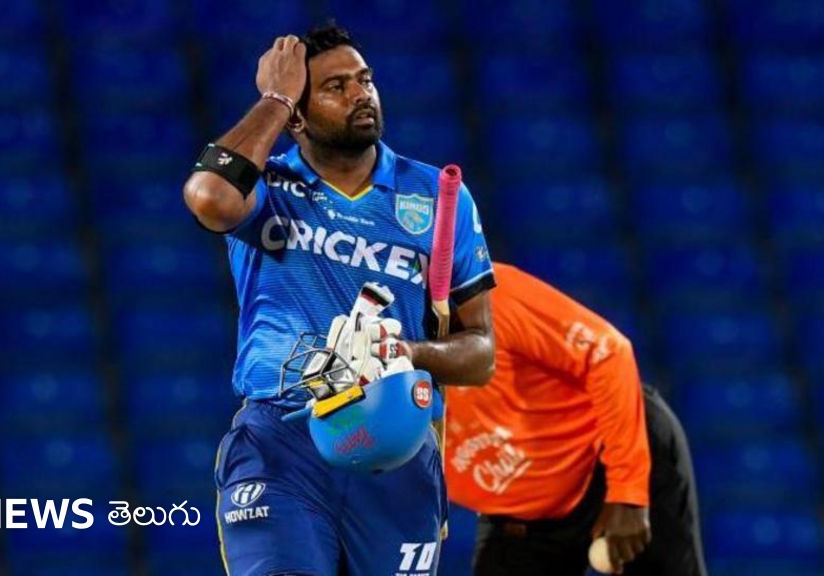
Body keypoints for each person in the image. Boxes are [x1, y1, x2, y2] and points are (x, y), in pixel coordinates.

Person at [182, 22, 498, 575]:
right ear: (296, 117)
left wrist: (409, 353)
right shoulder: (266, 187)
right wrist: (275, 98)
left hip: (396, 444)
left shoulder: (435, 195)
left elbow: (481, 354)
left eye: (365, 80)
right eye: (336, 87)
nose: (361, 95)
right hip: (283, 442)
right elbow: (209, 196)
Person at [444, 262, 707, 575]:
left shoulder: (484, 292)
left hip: (608, 459)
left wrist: (628, 493)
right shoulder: (392, 367)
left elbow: (607, 353)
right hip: (519, 523)